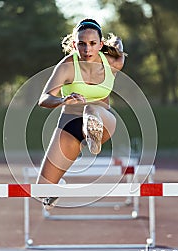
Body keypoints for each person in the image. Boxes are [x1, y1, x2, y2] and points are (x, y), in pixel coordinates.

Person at [37, 18, 126, 210]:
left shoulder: (112, 63)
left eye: (93, 44)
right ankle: (56, 187)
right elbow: (44, 98)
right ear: (73, 44)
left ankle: (91, 132)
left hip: (103, 121)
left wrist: (118, 43)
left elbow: (120, 53)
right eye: (82, 44)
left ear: (101, 45)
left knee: (91, 109)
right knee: (42, 192)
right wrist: (62, 100)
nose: (87, 50)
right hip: (70, 123)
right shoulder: (67, 66)